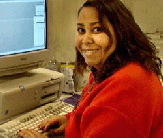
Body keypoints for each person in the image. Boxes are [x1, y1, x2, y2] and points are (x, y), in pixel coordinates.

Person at [18, 0, 163, 137]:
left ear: (121, 32)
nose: (86, 40)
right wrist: (71, 120)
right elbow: (101, 116)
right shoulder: (112, 67)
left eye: (97, 29)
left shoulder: (127, 87)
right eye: (81, 30)